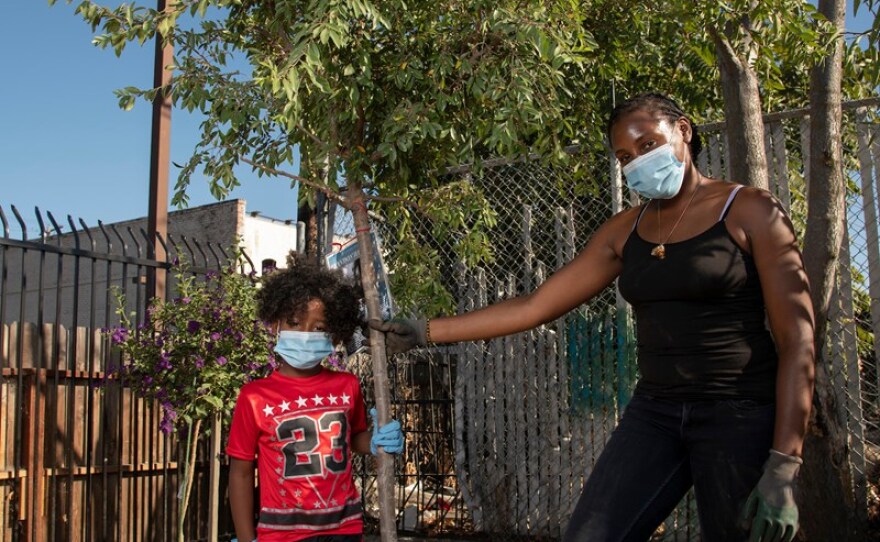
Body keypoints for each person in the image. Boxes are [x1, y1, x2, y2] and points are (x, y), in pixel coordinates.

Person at [370, 93, 815, 542]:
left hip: (739, 413)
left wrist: (783, 464)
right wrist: (424, 330)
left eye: (648, 145)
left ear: (683, 130)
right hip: (656, 412)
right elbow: (534, 305)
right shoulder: (625, 230)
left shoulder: (750, 209)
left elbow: (796, 339)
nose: (638, 161)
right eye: (625, 155)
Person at [227, 255, 404, 542]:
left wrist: (375, 440)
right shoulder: (254, 397)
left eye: (320, 328)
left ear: (336, 333)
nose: (306, 334)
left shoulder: (347, 385)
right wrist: (247, 538)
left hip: (345, 528)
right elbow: (241, 474)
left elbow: (352, 438)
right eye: (295, 322)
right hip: (282, 534)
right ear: (275, 325)